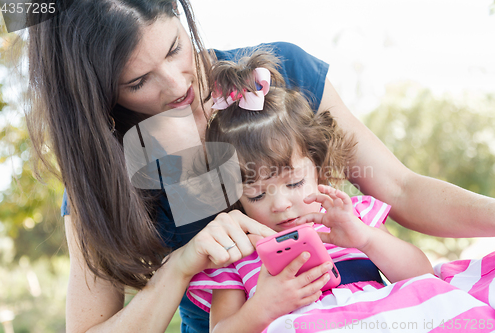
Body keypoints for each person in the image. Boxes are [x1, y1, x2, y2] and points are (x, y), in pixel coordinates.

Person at [23, 1, 495, 333]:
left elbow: (403, 190)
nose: (175, 85)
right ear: (101, 93)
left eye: (173, 49)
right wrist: (182, 266)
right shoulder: (107, 170)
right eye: (139, 81)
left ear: (179, 14)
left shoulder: (276, 78)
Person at [186, 52, 434, 332]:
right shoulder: (237, 253)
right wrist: (261, 307)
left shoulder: (353, 217)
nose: (280, 204)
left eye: (293, 183)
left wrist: (365, 239)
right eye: (256, 195)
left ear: (317, 166)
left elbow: (423, 276)